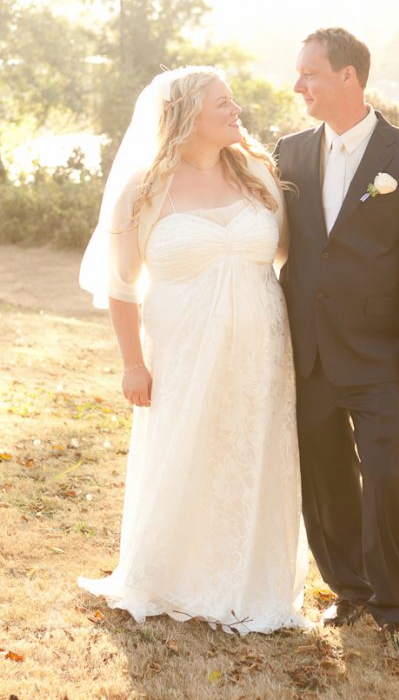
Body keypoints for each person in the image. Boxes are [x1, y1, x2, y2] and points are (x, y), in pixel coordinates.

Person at [77, 66, 308, 634]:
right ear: (186, 117)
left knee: (252, 454)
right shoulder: (145, 189)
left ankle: (254, 581)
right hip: (183, 350)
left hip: (261, 351)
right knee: (189, 452)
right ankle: (176, 575)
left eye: (233, 103)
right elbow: (121, 286)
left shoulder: (258, 174)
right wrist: (134, 364)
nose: (236, 113)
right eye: (222, 105)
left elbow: (288, 256)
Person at [274, 28, 399, 649]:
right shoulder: (289, 152)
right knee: (324, 477)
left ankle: (397, 607)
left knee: (383, 474)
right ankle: (350, 590)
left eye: (311, 74)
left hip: (380, 352)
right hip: (309, 351)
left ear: (349, 77)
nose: (299, 86)